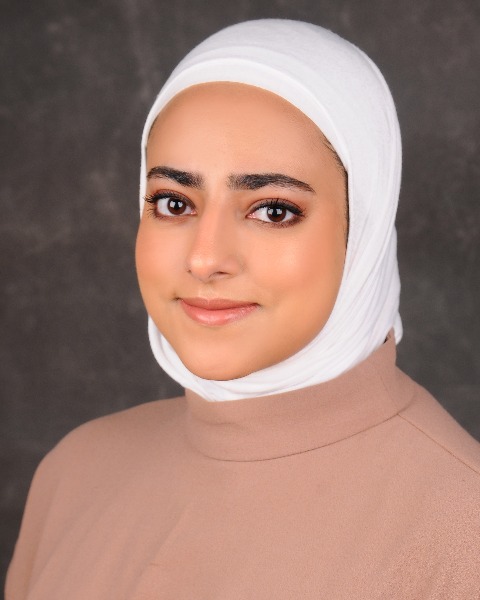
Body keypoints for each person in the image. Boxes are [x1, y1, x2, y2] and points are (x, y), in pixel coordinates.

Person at [6, 19, 480, 600]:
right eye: (174, 203)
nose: (206, 259)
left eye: (273, 211)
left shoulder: (463, 536)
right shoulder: (75, 474)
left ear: (366, 231)